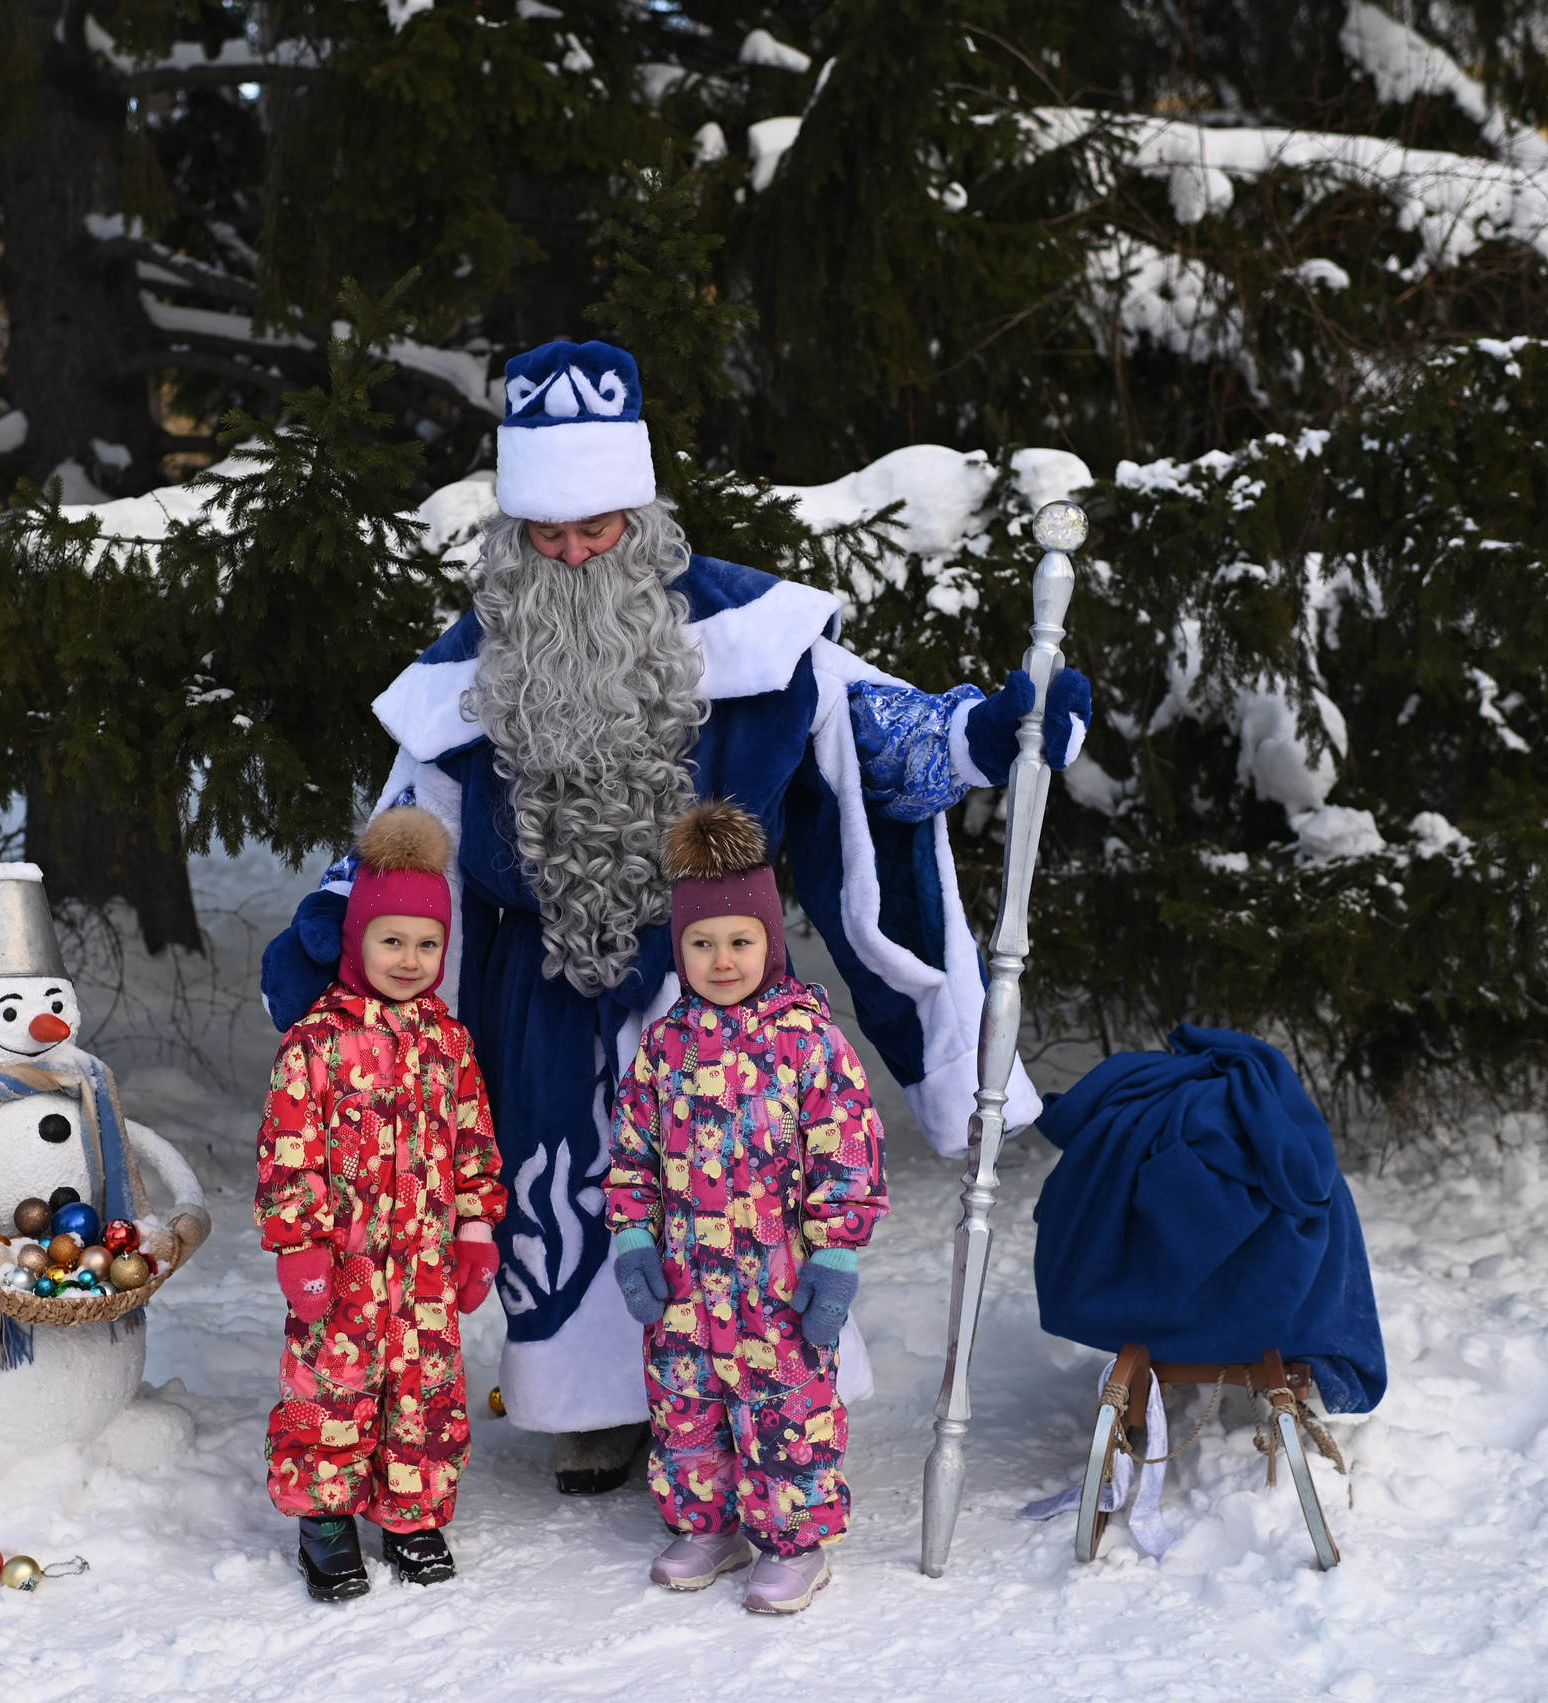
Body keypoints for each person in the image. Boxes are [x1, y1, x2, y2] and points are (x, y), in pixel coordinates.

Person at [263, 338, 1090, 1493]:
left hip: (719, 984)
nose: (571, 553)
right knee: (564, 1195)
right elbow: (413, 825)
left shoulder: (753, 632)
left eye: (595, 527)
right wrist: (339, 924)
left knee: (732, 1199)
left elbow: (876, 740)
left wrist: (983, 735)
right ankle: (597, 1405)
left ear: (640, 512)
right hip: (545, 1000)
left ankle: (755, 1393)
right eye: (545, 534)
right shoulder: (475, 664)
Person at [606, 801, 888, 1613]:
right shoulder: (664, 1047)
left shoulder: (808, 1040)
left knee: (786, 1414)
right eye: (702, 943)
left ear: (771, 941)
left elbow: (848, 1154)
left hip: (778, 1286)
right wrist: (632, 1238)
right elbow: (632, 1155)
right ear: (679, 949)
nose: (722, 959)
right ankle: (709, 1527)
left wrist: (836, 1255)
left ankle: (796, 1543)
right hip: (686, 1287)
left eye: (740, 940)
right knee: (686, 1410)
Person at [256, 807, 508, 1601]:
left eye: (427, 944)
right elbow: (288, 1151)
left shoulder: (449, 1042)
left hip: (425, 1266)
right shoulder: (315, 1041)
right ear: (356, 939)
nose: (409, 958)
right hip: (343, 1267)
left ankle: (412, 1512)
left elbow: (474, 1144)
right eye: (392, 940)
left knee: (425, 1395)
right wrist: (299, 1244)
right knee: (330, 1390)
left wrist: (475, 1230)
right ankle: (325, 1517)